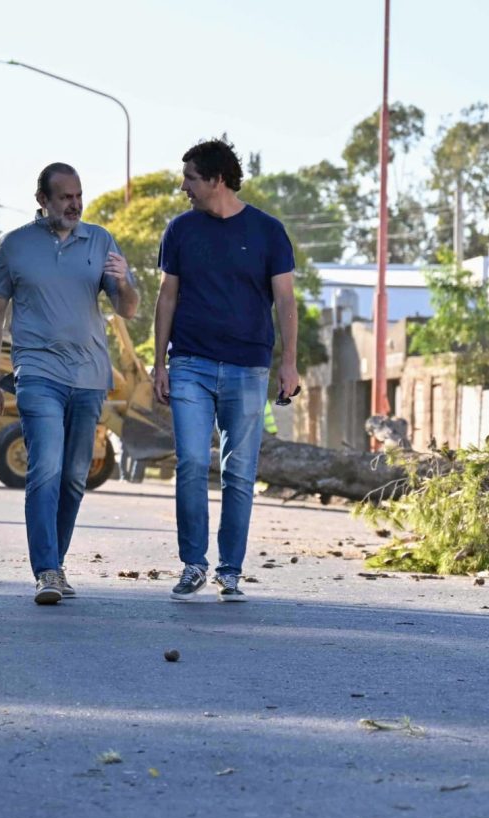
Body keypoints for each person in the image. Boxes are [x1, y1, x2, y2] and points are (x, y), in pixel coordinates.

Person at [0, 163, 138, 605]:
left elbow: (128, 308)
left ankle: (56, 565)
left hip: (89, 377)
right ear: (43, 200)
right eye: (65, 196)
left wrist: (124, 281)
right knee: (45, 468)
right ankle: (46, 570)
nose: (74, 204)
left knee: (73, 477)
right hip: (38, 373)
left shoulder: (101, 241)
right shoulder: (15, 246)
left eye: (78, 195)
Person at [153, 138, 298, 603]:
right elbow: (167, 297)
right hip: (190, 362)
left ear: (216, 179)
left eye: (191, 178)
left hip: (248, 366)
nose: (184, 187)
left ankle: (230, 570)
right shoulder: (180, 230)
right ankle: (193, 563)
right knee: (193, 463)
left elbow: (286, 301)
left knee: (239, 472)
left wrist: (289, 364)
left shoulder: (268, 232)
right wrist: (159, 362)